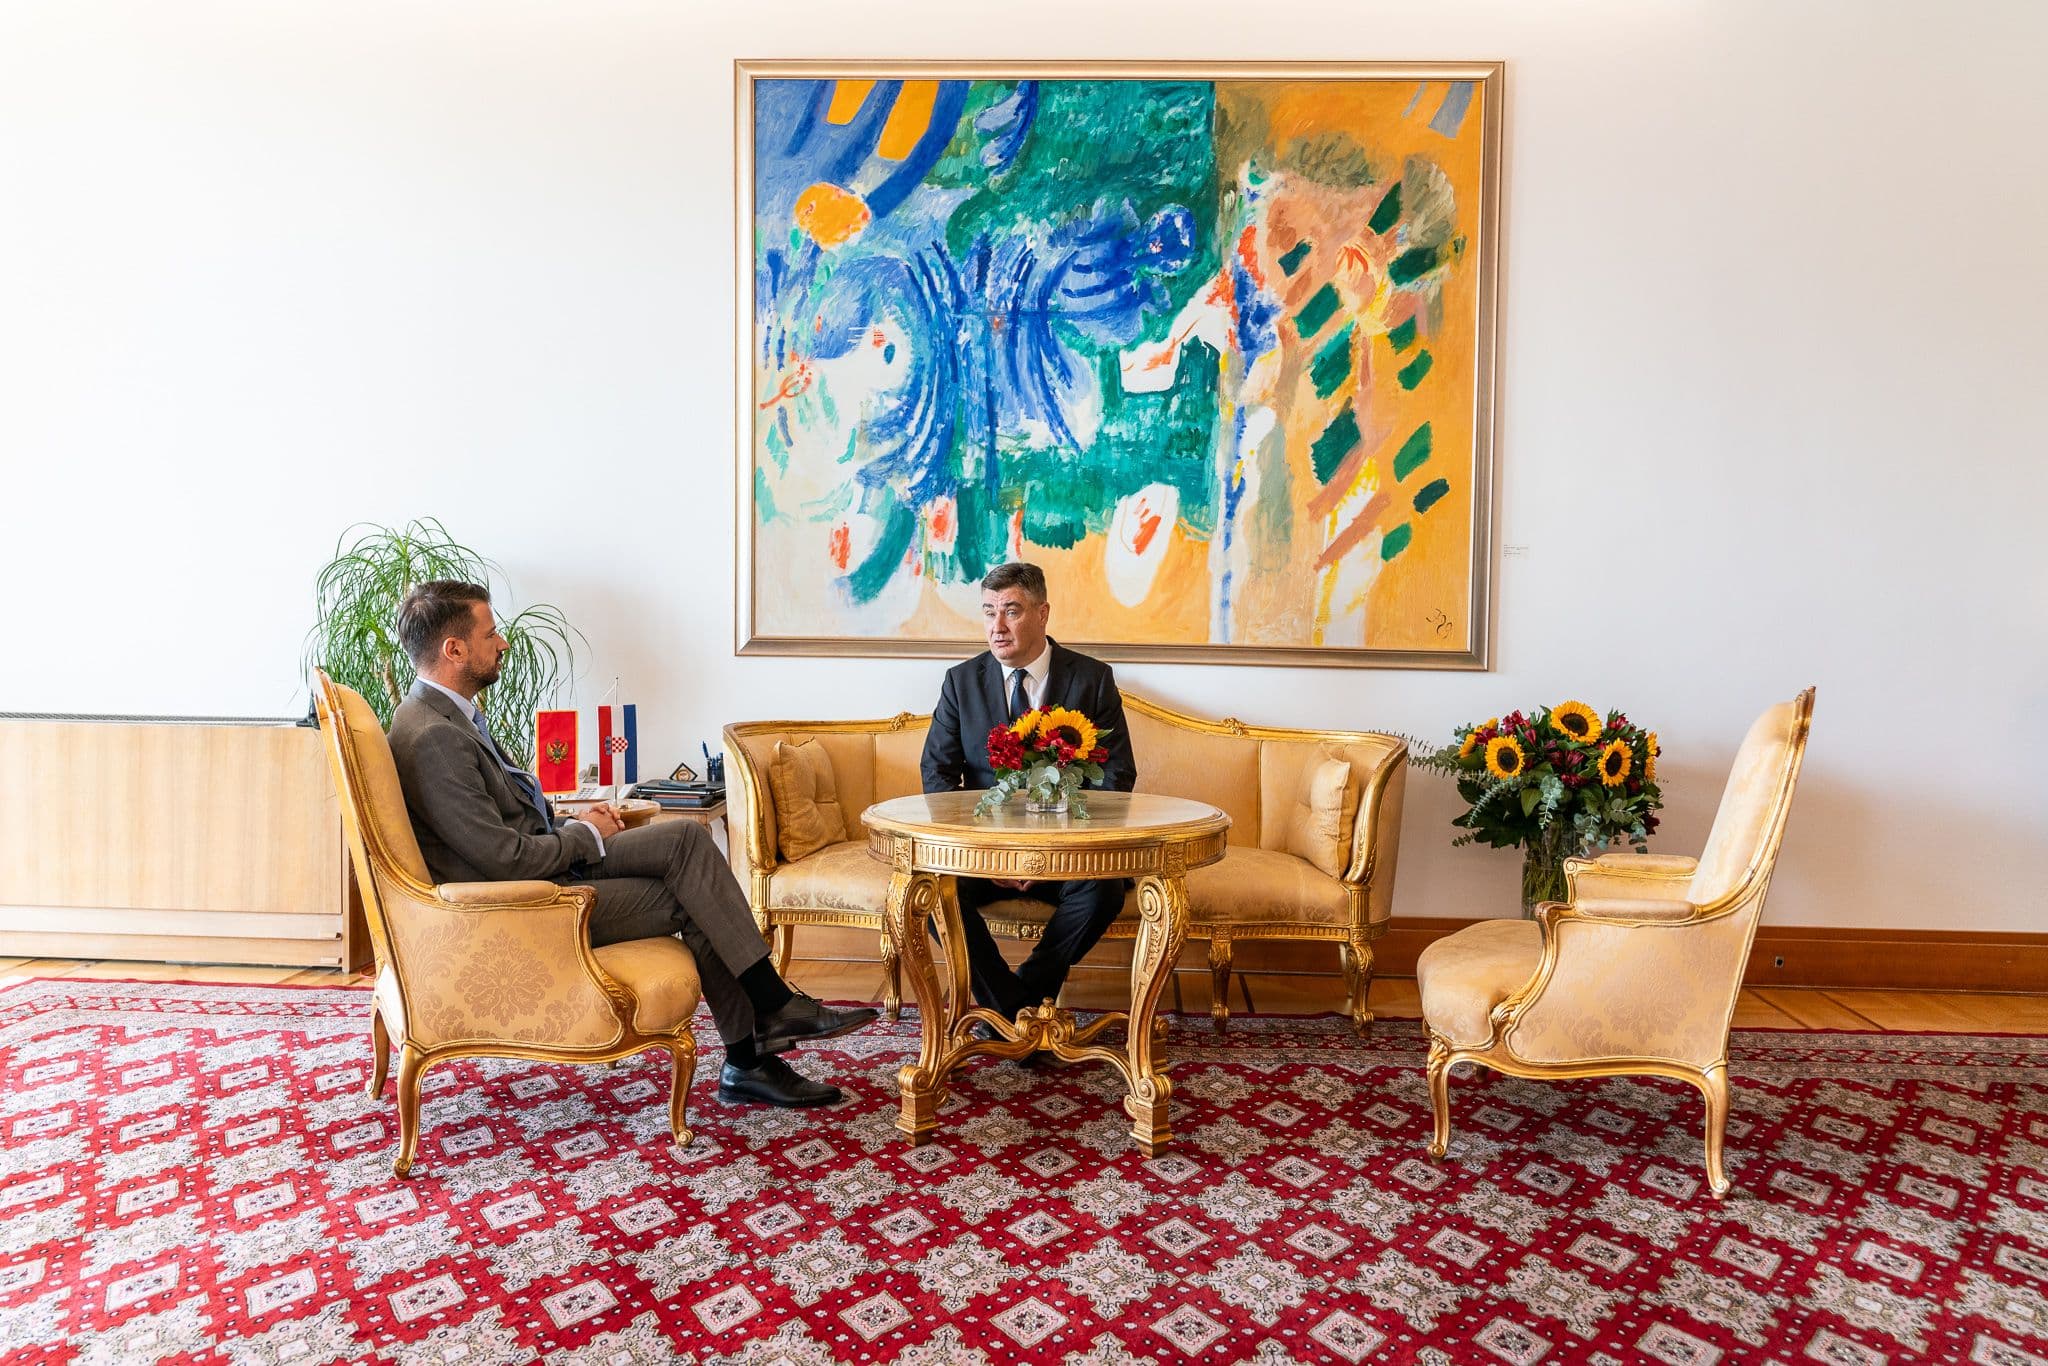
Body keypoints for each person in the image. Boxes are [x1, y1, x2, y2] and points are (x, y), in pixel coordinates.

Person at [385, 580, 875, 1108]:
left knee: (686, 840)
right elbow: (506, 860)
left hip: (544, 863)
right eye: (490, 634)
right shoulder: (435, 737)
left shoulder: (446, 717)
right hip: (523, 906)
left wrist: (577, 822)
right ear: (454, 650)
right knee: (696, 898)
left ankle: (768, 1019)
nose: (502, 643)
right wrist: (584, 835)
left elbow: (503, 826)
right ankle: (752, 1051)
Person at [920, 561, 1138, 1020]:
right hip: (984, 857)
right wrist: (991, 855)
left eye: (1012, 611)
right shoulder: (961, 682)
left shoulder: (1092, 679)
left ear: (1042, 614)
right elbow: (937, 775)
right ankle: (1018, 1011)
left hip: (1068, 856)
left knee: (1105, 892)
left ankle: (1016, 1003)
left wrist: (1051, 854)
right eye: (989, 612)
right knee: (932, 891)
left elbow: (1116, 777)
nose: (996, 627)